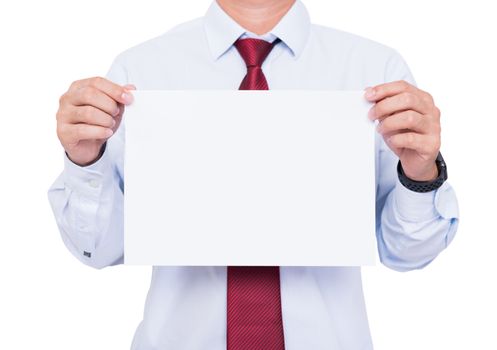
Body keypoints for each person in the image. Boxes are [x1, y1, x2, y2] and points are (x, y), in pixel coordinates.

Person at [48, 0, 459, 349]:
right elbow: (97, 250)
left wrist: (420, 170)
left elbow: (408, 254)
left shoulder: (375, 68)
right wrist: (86, 162)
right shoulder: (139, 71)